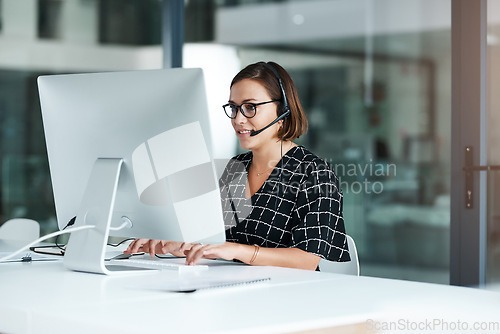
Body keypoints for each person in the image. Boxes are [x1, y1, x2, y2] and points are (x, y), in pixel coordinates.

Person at [125, 61, 350, 271]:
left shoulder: (314, 172)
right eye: (234, 108)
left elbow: (307, 260)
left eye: (250, 107)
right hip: (235, 291)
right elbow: (216, 241)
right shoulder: (236, 167)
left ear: (282, 111)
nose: (238, 119)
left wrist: (237, 250)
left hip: (288, 297)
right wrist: (175, 244)